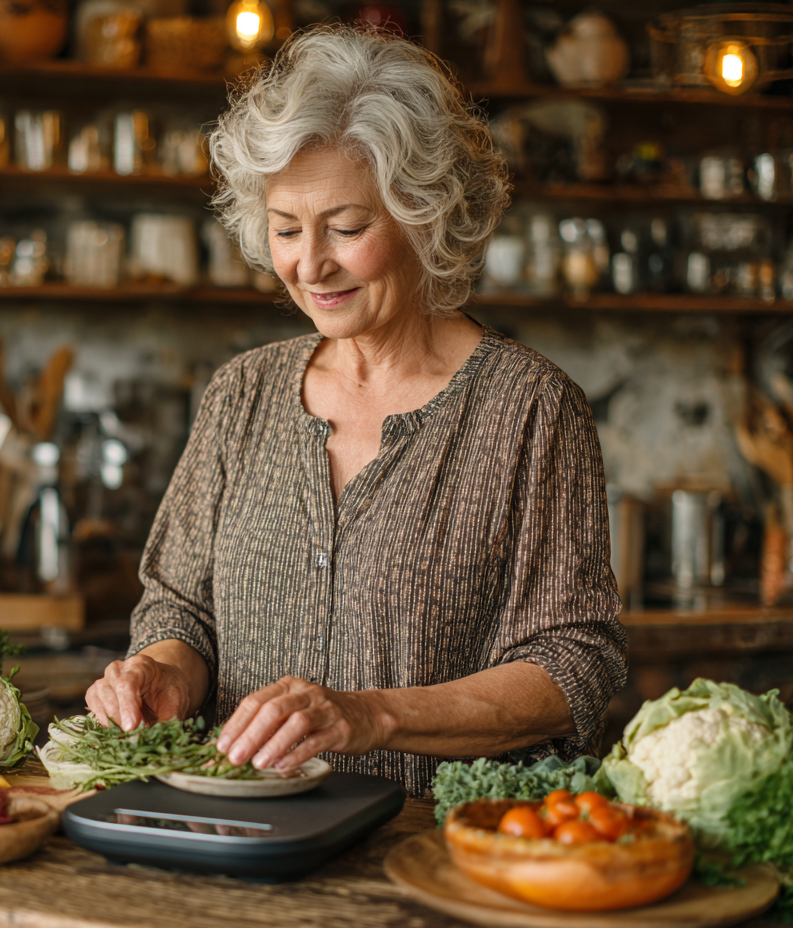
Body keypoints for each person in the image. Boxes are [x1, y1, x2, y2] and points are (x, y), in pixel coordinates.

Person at [85, 24, 627, 795]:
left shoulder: (530, 409)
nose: (311, 263)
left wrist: (371, 715)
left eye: (346, 227)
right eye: (284, 230)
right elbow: (182, 612)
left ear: (422, 214)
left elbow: (575, 662)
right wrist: (160, 676)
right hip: (245, 837)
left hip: (434, 852)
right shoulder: (242, 395)